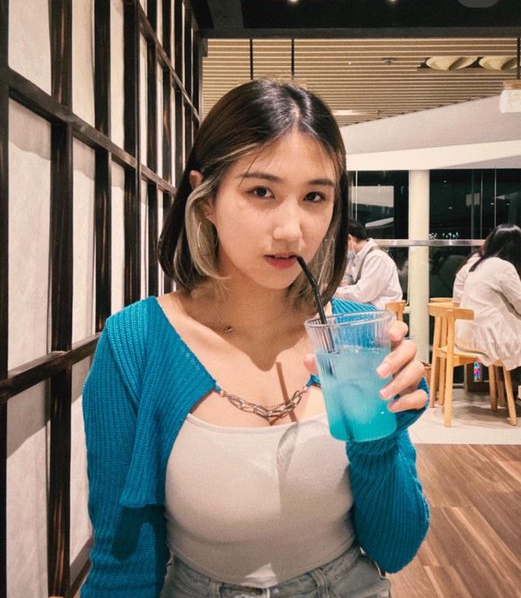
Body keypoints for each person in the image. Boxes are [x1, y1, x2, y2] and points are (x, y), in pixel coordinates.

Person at [82, 80, 429, 598]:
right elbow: (123, 560)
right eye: (261, 191)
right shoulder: (138, 342)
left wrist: (380, 438)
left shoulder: (358, 333)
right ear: (206, 199)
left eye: (315, 196)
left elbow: (394, 549)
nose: (291, 230)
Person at [456, 223, 521, 373]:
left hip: (465, 336)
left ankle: (487, 380)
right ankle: (509, 384)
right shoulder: (503, 267)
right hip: (488, 339)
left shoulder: (478, 264)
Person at [336, 220, 403, 309]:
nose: (340, 249)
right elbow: (347, 276)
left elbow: (361, 294)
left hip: (380, 311)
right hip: (366, 306)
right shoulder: (356, 257)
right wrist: (344, 284)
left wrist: (335, 292)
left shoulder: (377, 258)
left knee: (334, 307)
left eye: (339, 243)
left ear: (349, 238)